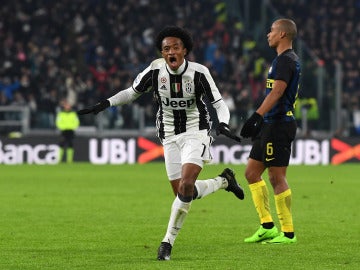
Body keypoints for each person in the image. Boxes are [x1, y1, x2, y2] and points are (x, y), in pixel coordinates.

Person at [78, 26, 244, 260]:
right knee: (182, 192)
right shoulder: (155, 70)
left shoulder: (199, 73)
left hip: (196, 132)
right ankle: (224, 181)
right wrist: (106, 104)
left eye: (176, 47)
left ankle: (167, 242)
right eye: (166, 49)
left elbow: (218, 103)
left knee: (186, 185)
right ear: (162, 53)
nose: (171, 52)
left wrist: (224, 123)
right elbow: (131, 92)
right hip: (168, 135)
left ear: (184, 50)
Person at [240, 18, 300, 244]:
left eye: (272, 30)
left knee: (276, 177)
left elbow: (277, 93)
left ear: (283, 34)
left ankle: (288, 232)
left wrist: (257, 116)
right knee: (251, 173)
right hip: (271, 125)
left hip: (279, 125)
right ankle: (267, 225)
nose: (268, 34)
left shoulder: (286, 60)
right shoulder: (281, 60)